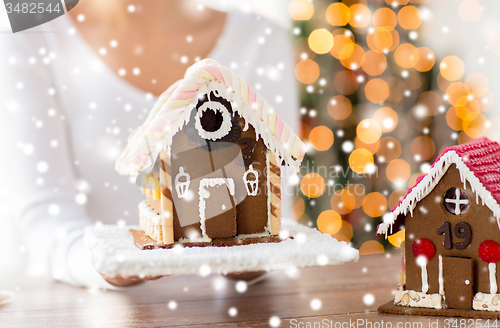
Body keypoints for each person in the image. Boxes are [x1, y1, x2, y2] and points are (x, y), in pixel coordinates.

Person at [0, 0, 299, 288]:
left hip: (235, 311)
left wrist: (250, 252)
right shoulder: (28, 32)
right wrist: (111, 262)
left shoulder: (260, 37)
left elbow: (271, 202)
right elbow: (45, 216)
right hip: (85, 311)